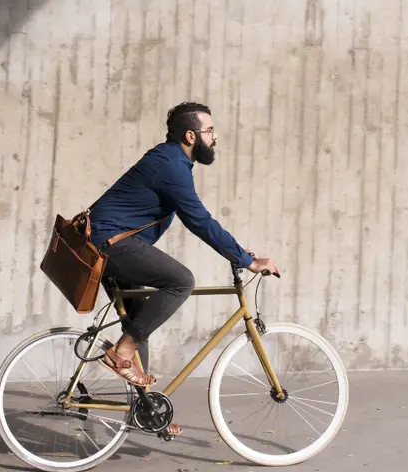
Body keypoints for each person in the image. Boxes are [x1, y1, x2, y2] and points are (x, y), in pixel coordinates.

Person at [89, 102, 280, 435]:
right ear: (191, 135)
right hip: (109, 243)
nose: (215, 137)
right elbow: (200, 220)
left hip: (108, 242)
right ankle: (121, 353)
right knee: (181, 281)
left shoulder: (172, 161)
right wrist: (247, 260)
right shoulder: (171, 166)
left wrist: (236, 251)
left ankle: (146, 413)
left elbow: (199, 220)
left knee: (139, 326)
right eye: (210, 131)